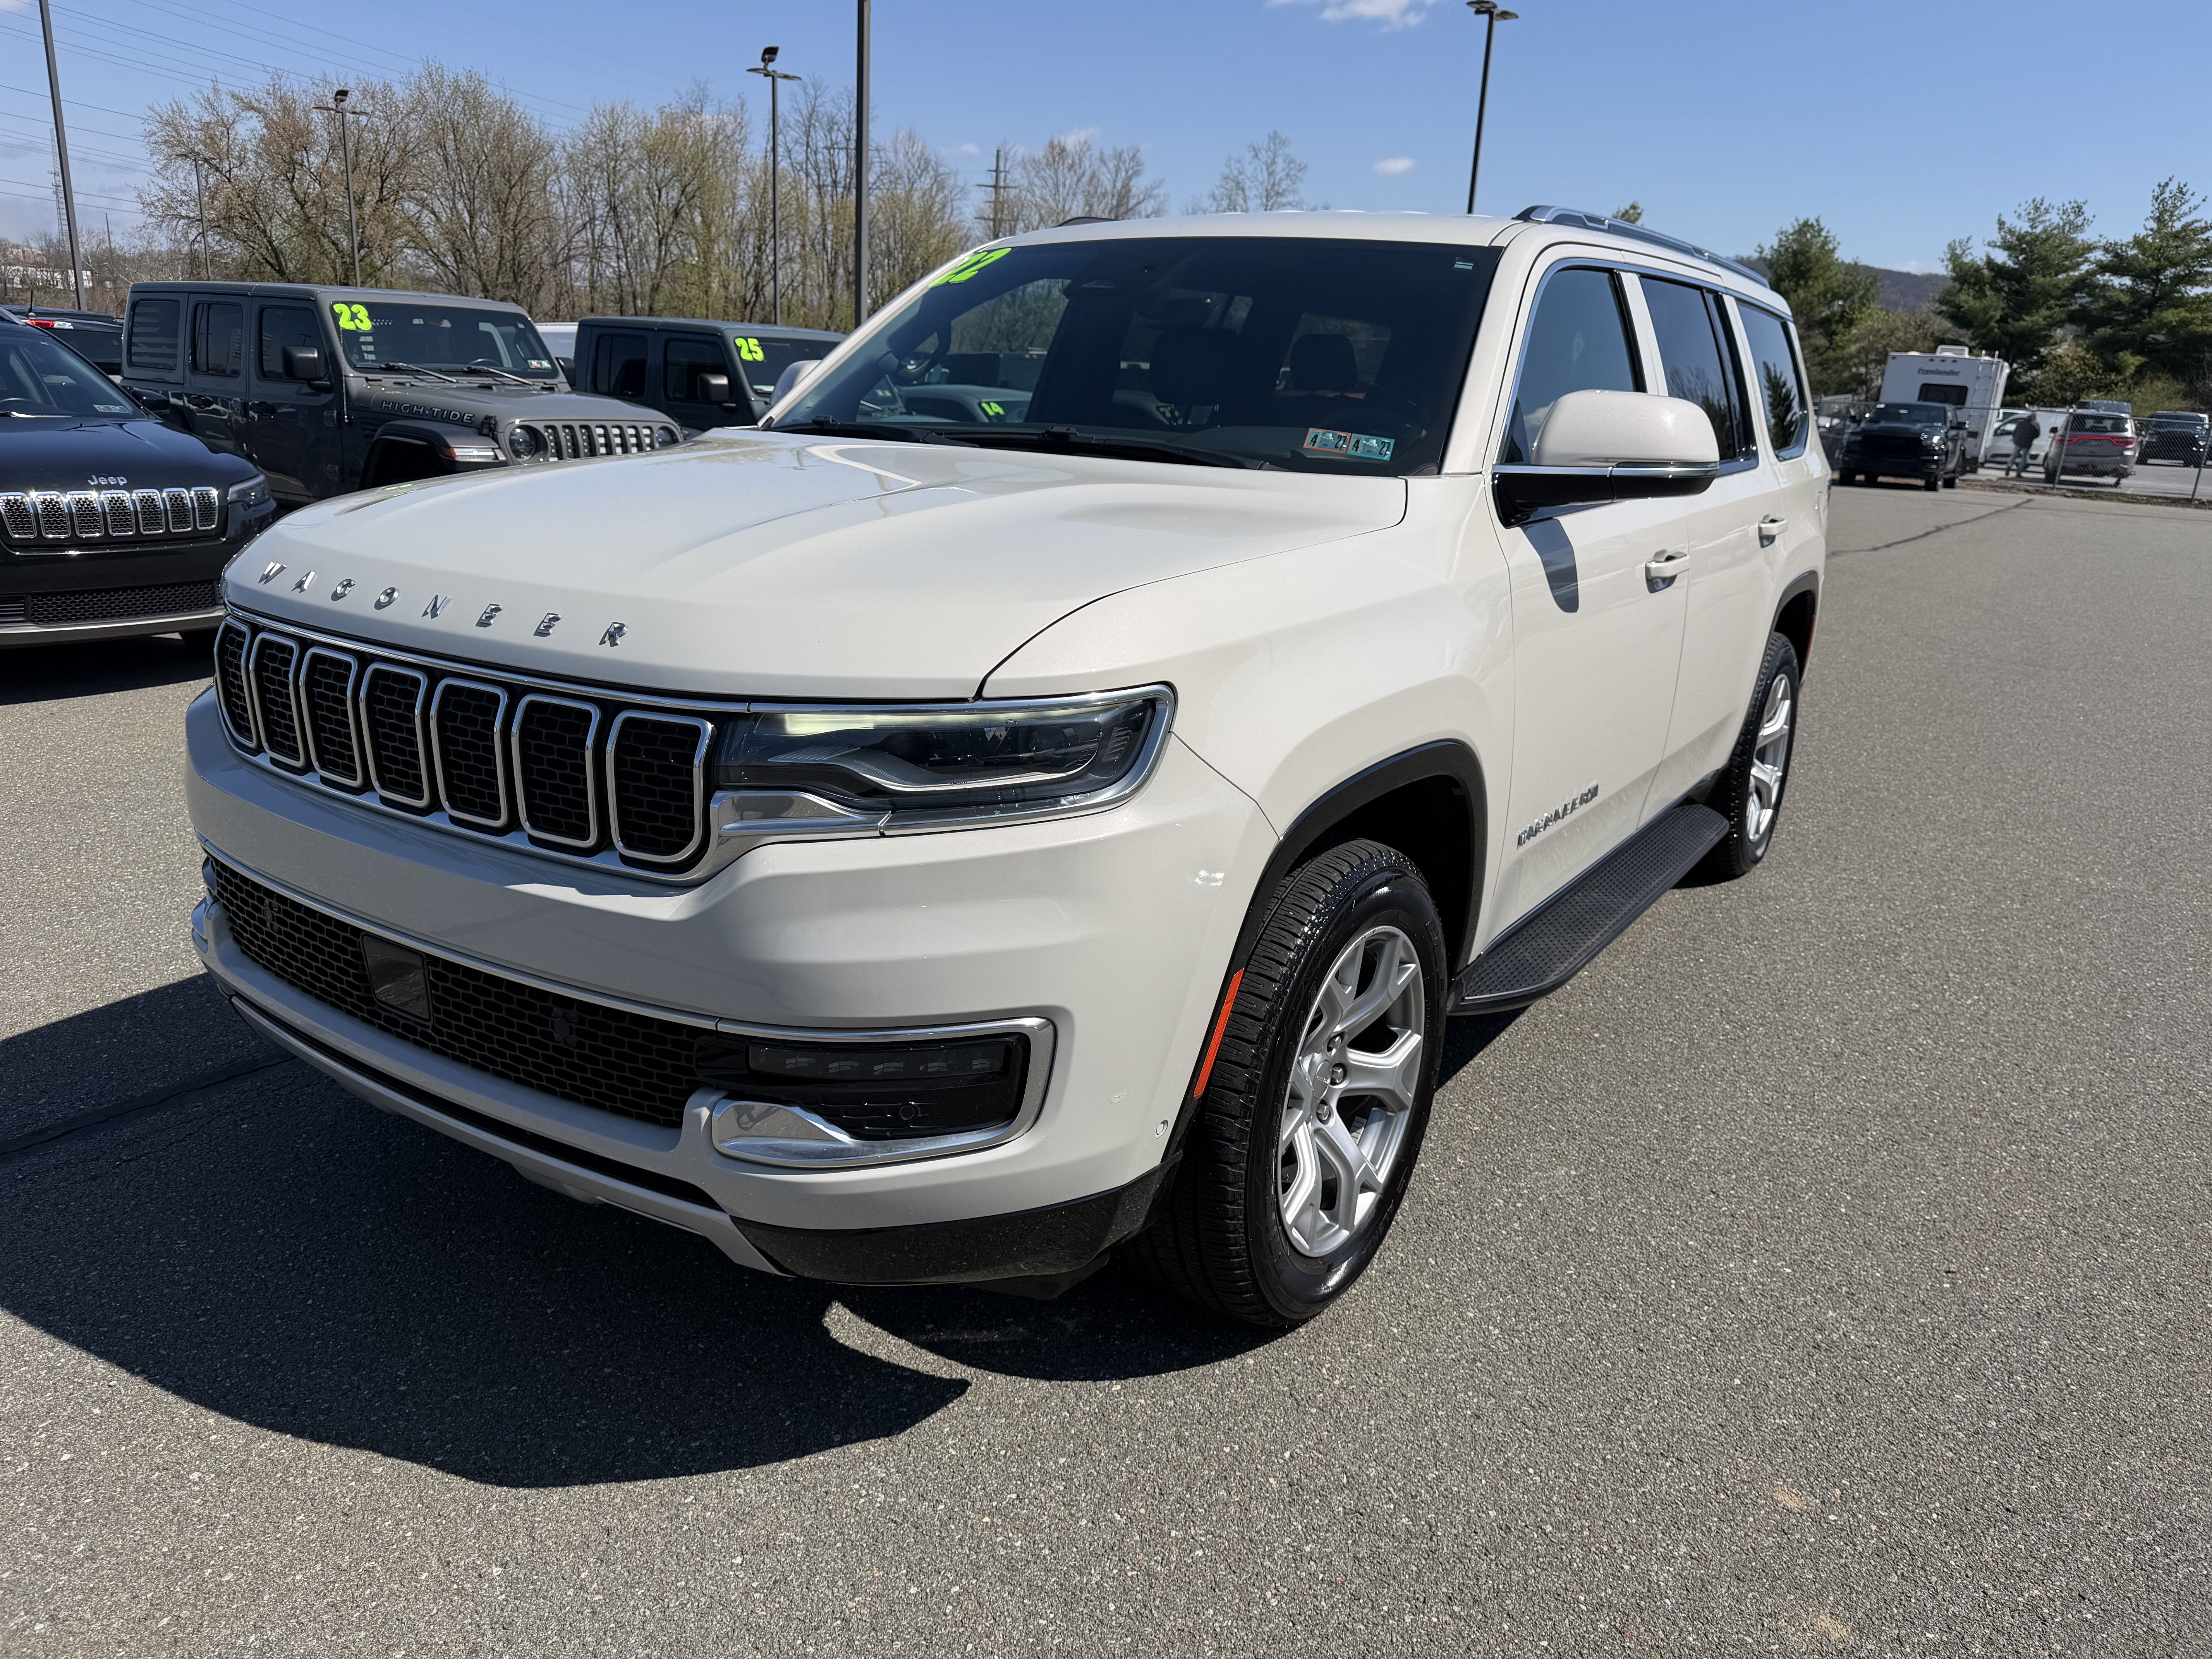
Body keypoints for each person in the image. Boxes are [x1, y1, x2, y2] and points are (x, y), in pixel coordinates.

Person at [2009, 411, 2040, 477]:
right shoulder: (2035, 424)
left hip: (2018, 441)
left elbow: (2015, 432)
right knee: (2024, 458)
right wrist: (2031, 438)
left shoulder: (2021, 423)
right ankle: (2019, 472)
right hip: (2027, 443)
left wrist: (2016, 439)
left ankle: (2009, 466)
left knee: (2014, 455)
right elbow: (2037, 434)